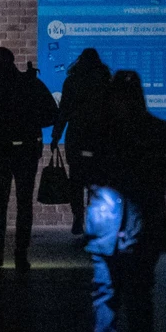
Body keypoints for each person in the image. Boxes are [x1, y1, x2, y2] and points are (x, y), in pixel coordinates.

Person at [81, 71, 166, 332]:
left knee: (108, 292)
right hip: (142, 224)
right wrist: (152, 182)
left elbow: (85, 170)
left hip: (109, 225)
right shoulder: (158, 131)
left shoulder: (99, 132)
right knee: (137, 293)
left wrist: (112, 183)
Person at [0, 47, 58, 271]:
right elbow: (51, 113)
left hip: (0, 150)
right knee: (24, 202)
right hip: (27, 150)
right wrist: (30, 122)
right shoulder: (30, 83)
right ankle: (21, 253)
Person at [51, 48, 113, 235]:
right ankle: (95, 219)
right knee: (97, 180)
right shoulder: (106, 82)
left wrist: (56, 136)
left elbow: (63, 112)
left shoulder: (72, 81)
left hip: (76, 135)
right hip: (99, 137)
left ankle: (78, 217)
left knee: (76, 179)